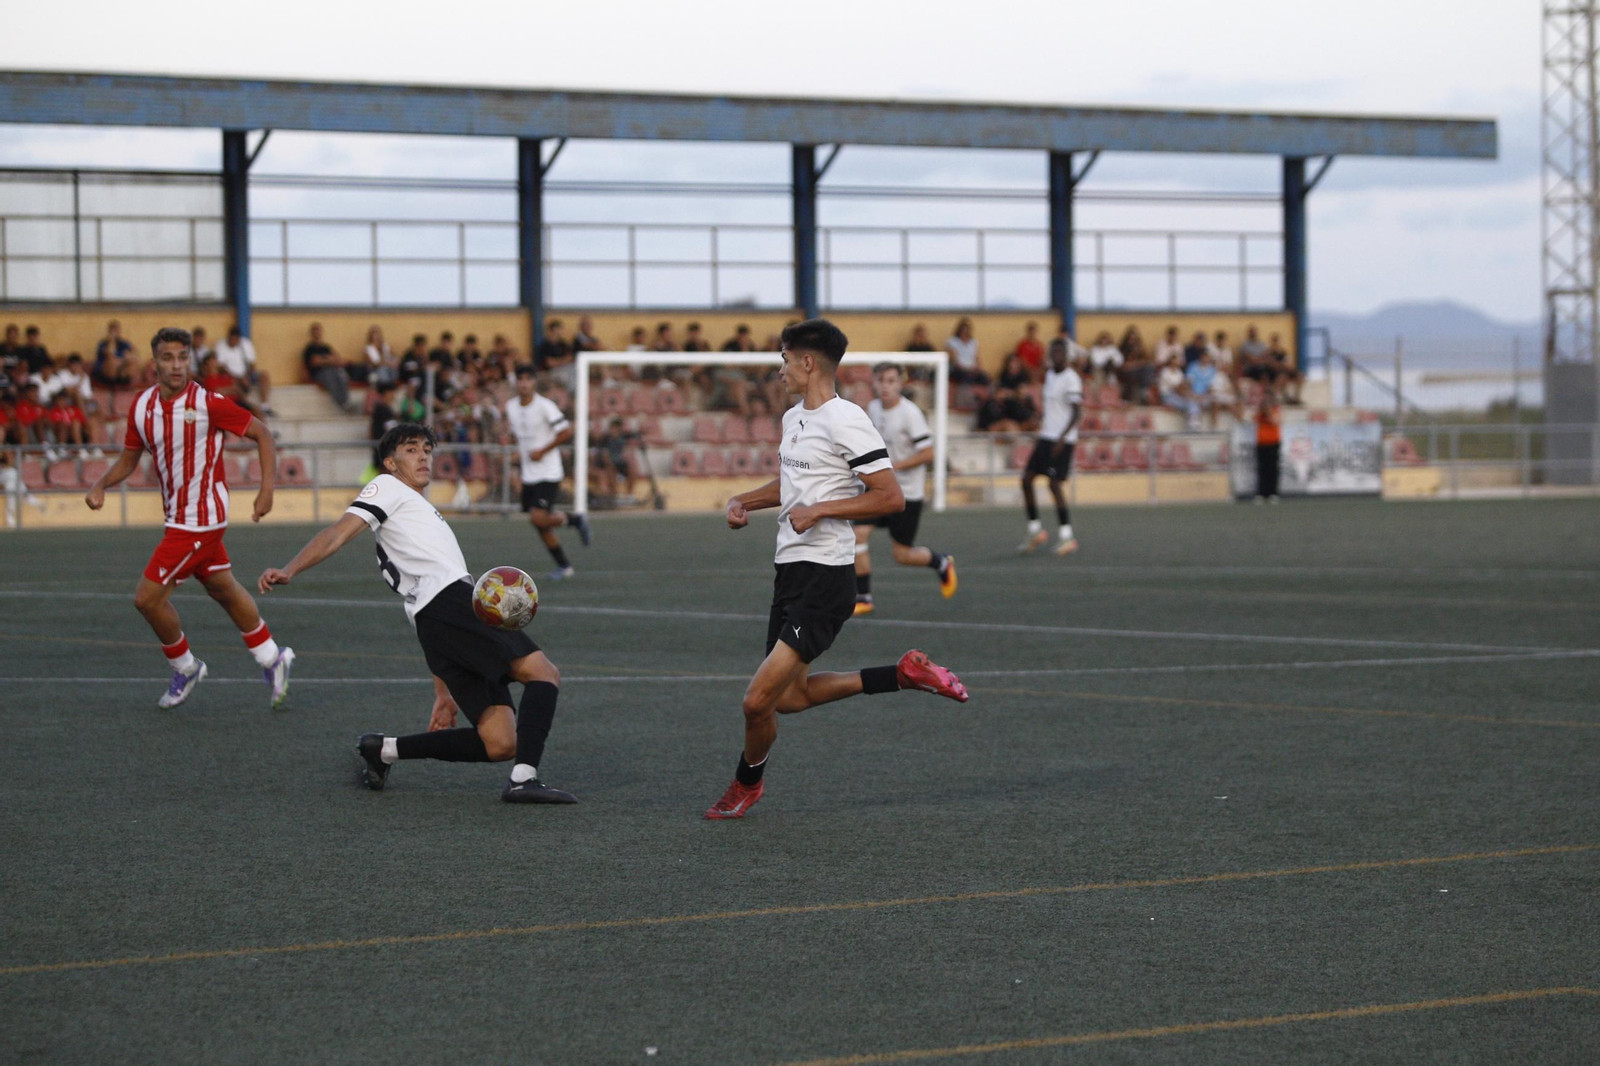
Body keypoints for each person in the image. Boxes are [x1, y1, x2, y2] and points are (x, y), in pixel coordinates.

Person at [708, 318, 969, 819]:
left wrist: (824, 511)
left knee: (756, 701)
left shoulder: (847, 419)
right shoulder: (792, 420)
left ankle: (746, 784)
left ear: (807, 362)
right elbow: (793, 487)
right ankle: (902, 674)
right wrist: (745, 499)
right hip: (791, 571)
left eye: (784, 359)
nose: (779, 369)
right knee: (789, 700)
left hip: (827, 576)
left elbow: (889, 497)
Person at [257, 423, 576, 805]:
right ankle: (524, 780)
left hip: (437, 618)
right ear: (390, 463)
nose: (424, 455)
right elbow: (340, 532)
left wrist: (443, 689)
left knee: (501, 742)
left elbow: (423, 607)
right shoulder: (388, 487)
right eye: (411, 449)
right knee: (544, 673)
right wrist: (291, 568)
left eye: (427, 448)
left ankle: (384, 749)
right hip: (452, 602)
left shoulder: (418, 508)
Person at [84, 327, 293, 709]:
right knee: (223, 589)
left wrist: (267, 489)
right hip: (178, 518)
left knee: (147, 599)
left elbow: (263, 434)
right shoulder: (142, 406)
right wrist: (100, 484)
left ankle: (185, 665)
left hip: (201, 519)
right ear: (155, 364)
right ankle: (272, 657)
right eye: (168, 358)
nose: (177, 365)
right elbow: (129, 459)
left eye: (183, 357)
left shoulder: (209, 403)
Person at [852, 362, 957, 617]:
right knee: (857, 535)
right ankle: (863, 596)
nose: (885, 386)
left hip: (906, 494)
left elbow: (929, 453)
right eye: (881, 381)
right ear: (874, 383)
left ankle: (940, 561)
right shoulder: (874, 408)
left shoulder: (910, 414)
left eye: (891, 381)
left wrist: (894, 466)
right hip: (878, 489)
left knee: (901, 554)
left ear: (900, 383)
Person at [504, 365, 592, 579]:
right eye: (520, 379)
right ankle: (564, 565)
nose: (524, 383)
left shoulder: (545, 406)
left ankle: (574, 520)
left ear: (534, 382)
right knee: (541, 524)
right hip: (528, 473)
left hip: (548, 472)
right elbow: (519, 433)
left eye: (527, 379)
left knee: (538, 518)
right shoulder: (510, 407)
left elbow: (566, 431)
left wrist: (543, 451)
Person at [1019, 337, 1083, 556]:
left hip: (1061, 440)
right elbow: (1053, 407)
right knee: (1026, 479)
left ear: (1066, 355)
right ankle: (1035, 530)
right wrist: (1039, 418)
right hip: (1046, 436)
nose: (1055, 356)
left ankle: (1067, 537)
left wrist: (1062, 439)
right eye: (1052, 352)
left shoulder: (1071, 379)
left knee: (1054, 485)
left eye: (1059, 352)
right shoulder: (1049, 375)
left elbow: (1076, 412)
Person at [216, 325, 272, 413]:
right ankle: (247, 406)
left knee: (264, 376)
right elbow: (220, 367)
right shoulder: (221, 345)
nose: (233, 342)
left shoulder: (246, 344)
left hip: (246, 375)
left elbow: (252, 365)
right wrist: (238, 378)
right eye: (232, 339)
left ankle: (265, 405)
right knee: (233, 385)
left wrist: (247, 377)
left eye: (236, 340)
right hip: (231, 376)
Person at [302, 322, 357, 413]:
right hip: (318, 373)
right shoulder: (309, 348)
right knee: (329, 376)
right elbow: (315, 362)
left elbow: (336, 358)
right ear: (311, 333)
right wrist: (328, 360)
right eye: (315, 331)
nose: (317, 333)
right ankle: (342, 404)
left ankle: (346, 402)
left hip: (331, 370)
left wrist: (324, 360)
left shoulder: (326, 347)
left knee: (341, 375)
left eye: (318, 331)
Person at [1255, 388, 1282, 502]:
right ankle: (1262, 493)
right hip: (1261, 443)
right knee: (1262, 469)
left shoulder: (1276, 410)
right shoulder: (1259, 413)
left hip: (1273, 442)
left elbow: (1275, 421)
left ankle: (1273, 492)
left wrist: (1269, 411)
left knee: (1272, 468)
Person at [945, 317, 988, 386]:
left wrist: (979, 368)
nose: (965, 332)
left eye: (967, 330)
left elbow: (977, 358)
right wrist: (966, 369)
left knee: (984, 378)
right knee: (967, 379)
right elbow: (954, 360)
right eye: (963, 330)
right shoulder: (952, 342)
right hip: (960, 370)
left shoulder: (973, 342)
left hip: (973, 369)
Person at [94, 319, 136, 388]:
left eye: (117, 330)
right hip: (104, 374)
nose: (115, 333)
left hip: (120, 373)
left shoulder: (123, 343)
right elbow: (110, 353)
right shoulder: (103, 344)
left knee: (133, 361)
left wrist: (124, 360)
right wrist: (112, 340)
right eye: (113, 330)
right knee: (112, 361)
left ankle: (124, 380)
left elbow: (134, 354)